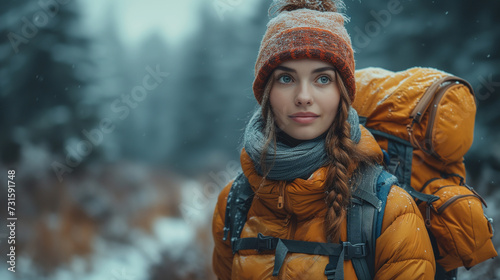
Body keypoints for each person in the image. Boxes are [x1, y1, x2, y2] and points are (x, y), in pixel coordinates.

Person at [212, 0, 435, 279]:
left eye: (322, 79)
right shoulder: (235, 202)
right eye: (285, 79)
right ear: (266, 93)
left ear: (342, 94)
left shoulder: (390, 212)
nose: (303, 96)